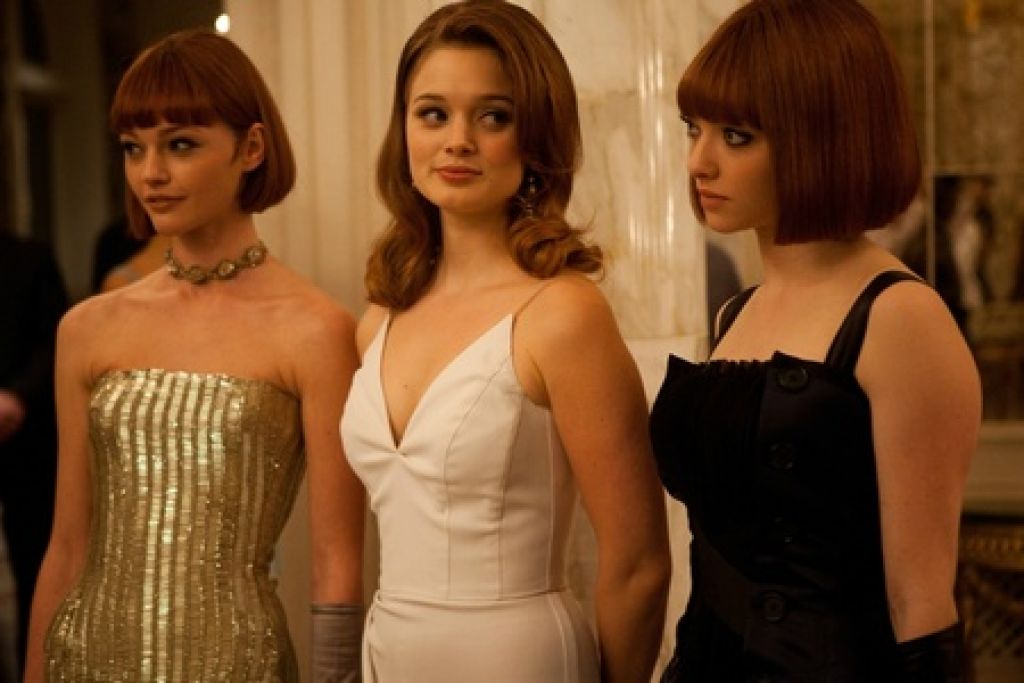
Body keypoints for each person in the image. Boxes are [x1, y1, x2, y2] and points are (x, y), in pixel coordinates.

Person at [649, 1, 981, 680]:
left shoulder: (899, 317)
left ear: (822, 138)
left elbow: (920, 604)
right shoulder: (735, 313)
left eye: (736, 136)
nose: (699, 161)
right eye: (693, 128)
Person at [340, 1, 671, 681]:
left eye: (493, 117)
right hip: (390, 650)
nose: (458, 140)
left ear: (537, 136)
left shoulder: (563, 314)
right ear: (404, 129)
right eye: (433, 114)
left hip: (519, 657)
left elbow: (639, 563)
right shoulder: (379, 319)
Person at [23, 29, 365, 683]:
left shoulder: (317, 330)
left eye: (180, 144)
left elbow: (337, 564)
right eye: (133, 147)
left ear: (251, 148)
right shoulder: (88, 327)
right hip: (85, 658)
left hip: (238, 665)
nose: (150, 173)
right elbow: (66, 545)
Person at [0, 230, 68, 678]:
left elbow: (57, 340)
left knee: (35, 563)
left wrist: (18, 396)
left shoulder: (30, 257)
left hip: (27, 439)